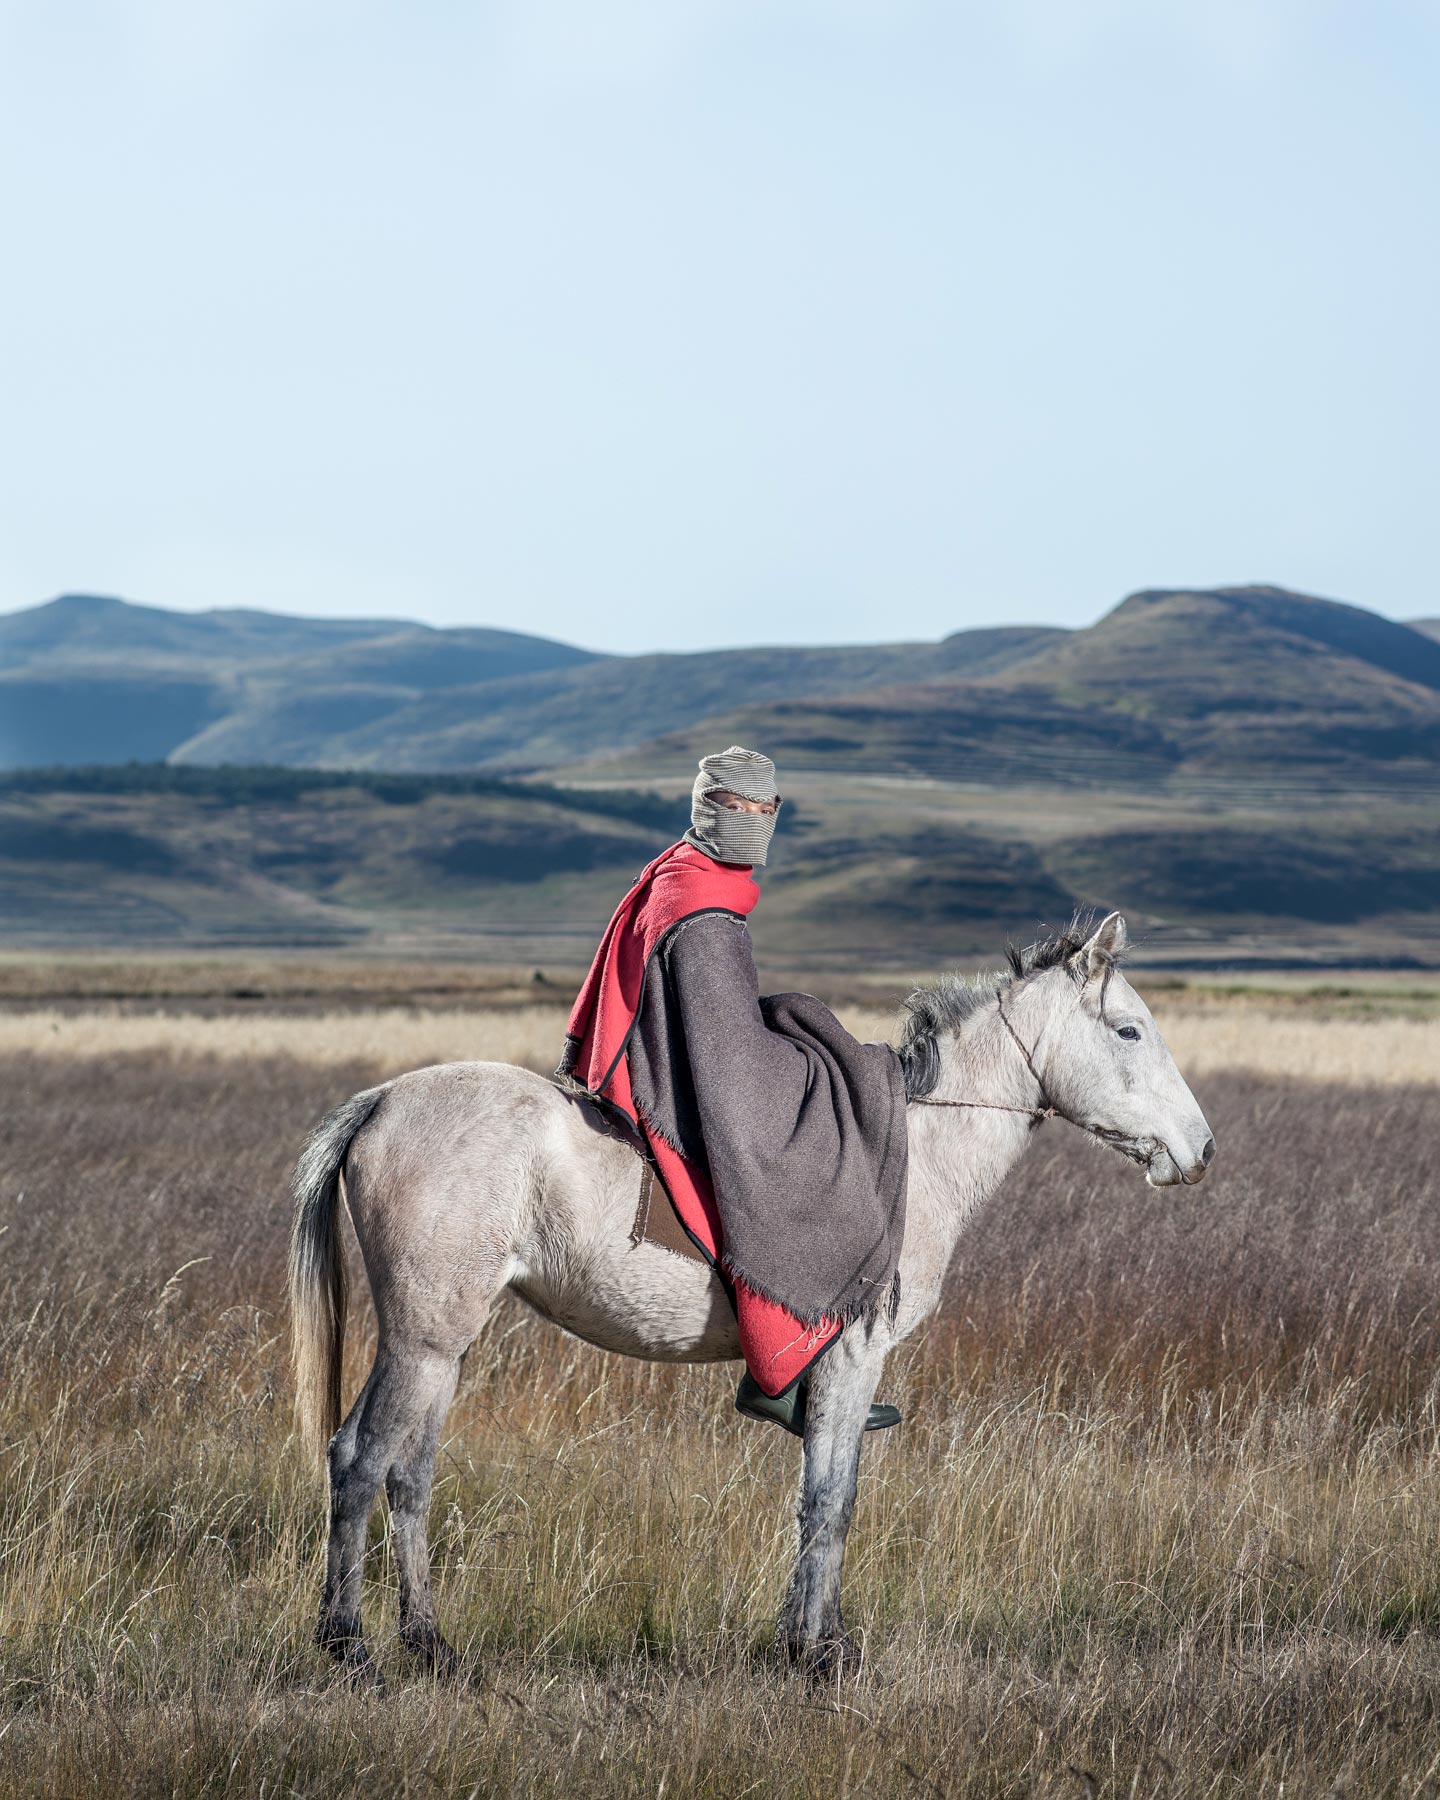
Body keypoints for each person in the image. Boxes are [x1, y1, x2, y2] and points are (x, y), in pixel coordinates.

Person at [558, 747, 907, 1435]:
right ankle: (782, 1374)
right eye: (733, 808)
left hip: (663, 1051)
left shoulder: (680, 873)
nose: (748, 820)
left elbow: (720, 1021)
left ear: (773, 813)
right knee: (802, 1155)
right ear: (706, 808)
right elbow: (729, 1058)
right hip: (670, 1073)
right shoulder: (705, 904)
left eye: (759, 809)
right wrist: (834, 1064)